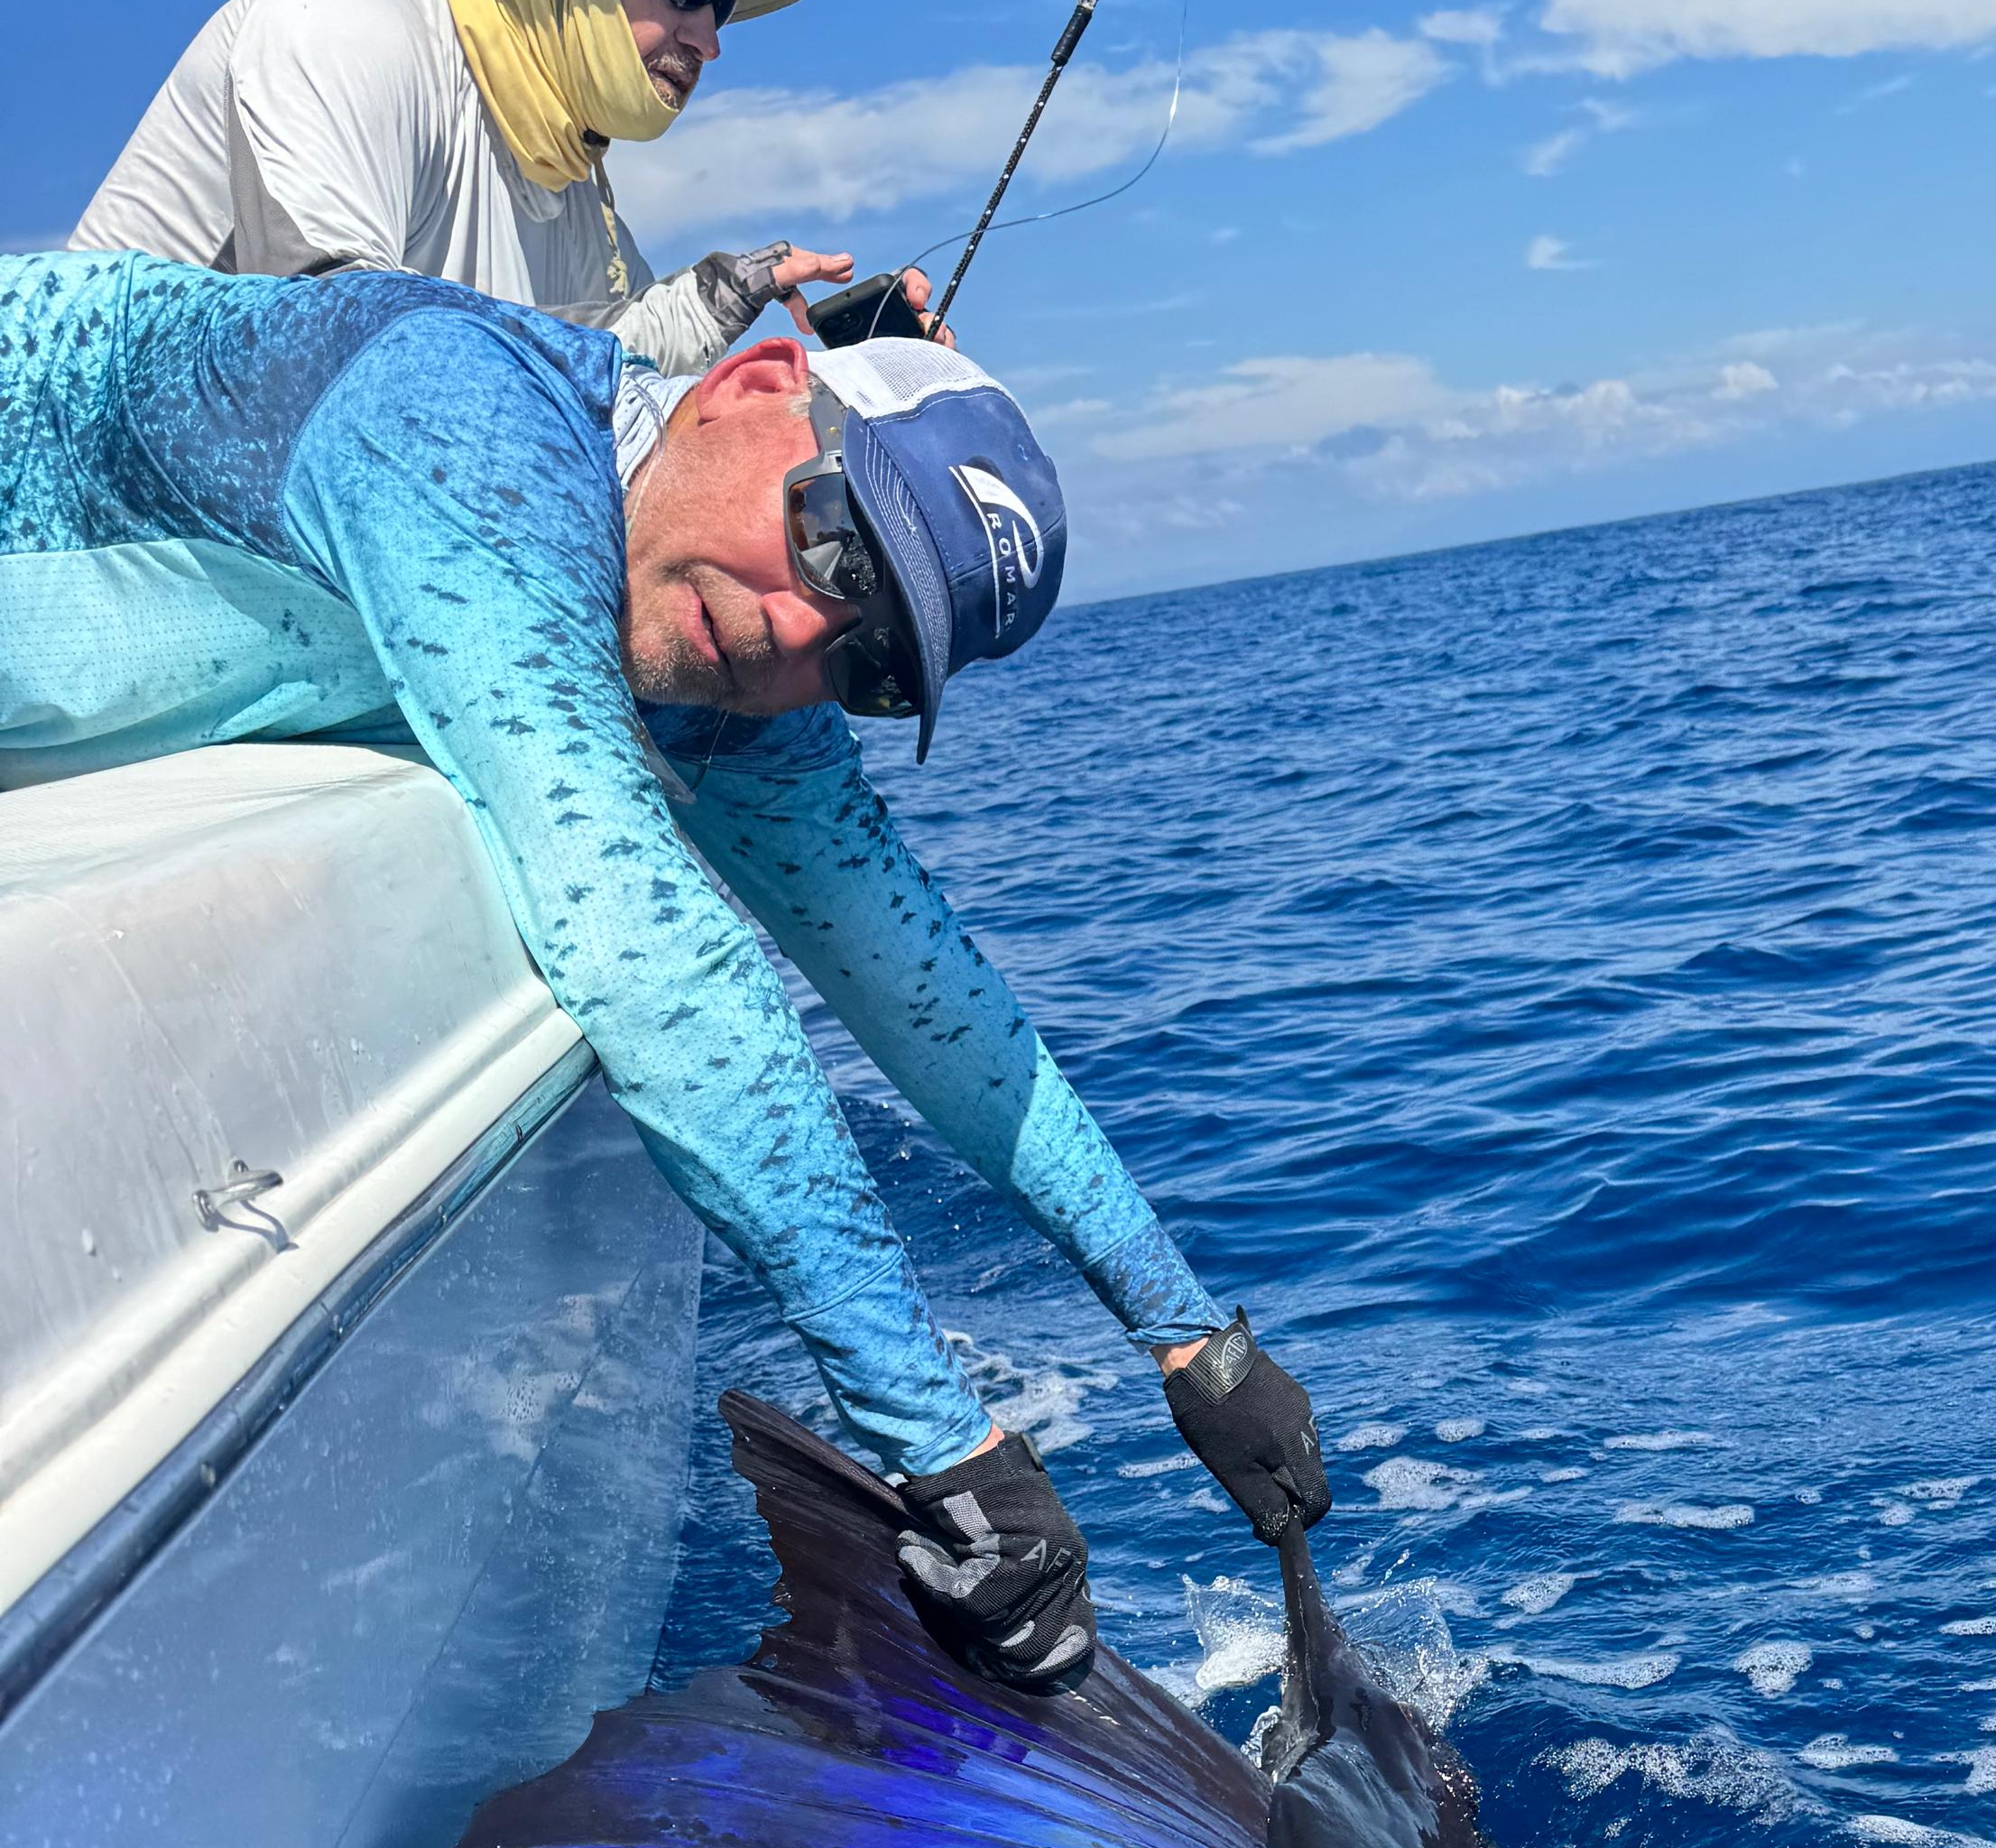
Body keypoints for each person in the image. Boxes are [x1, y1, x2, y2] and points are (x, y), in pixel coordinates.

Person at [0, 246, 1328, 1686]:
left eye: (873, 662)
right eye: (838, 544)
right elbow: (654, 950)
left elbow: (923, 984)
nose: (801, 631)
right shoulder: (455, 415)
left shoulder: (726, 655)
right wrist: (944, 1447)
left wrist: (1194, 1341)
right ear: (754, 384)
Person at [72, 0, 925, 372]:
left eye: (722, 7)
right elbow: (343, 355)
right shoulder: (339, 22)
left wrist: (766, 316)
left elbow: (610, 368)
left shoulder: (570, 182)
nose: (708, 38)